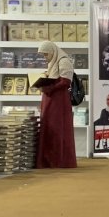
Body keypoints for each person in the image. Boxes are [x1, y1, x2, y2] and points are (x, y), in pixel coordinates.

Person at [36, 40, 76, 169]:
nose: (45, 57)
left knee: (57, 127)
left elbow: (65, 81)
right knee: (49, 127)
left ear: (53, 52)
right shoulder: (53, 63)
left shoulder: (63, 61)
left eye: (46, 54)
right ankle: (49, 160)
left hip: (58, 100)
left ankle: (58, 160)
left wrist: (49, 88)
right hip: (50, 99)